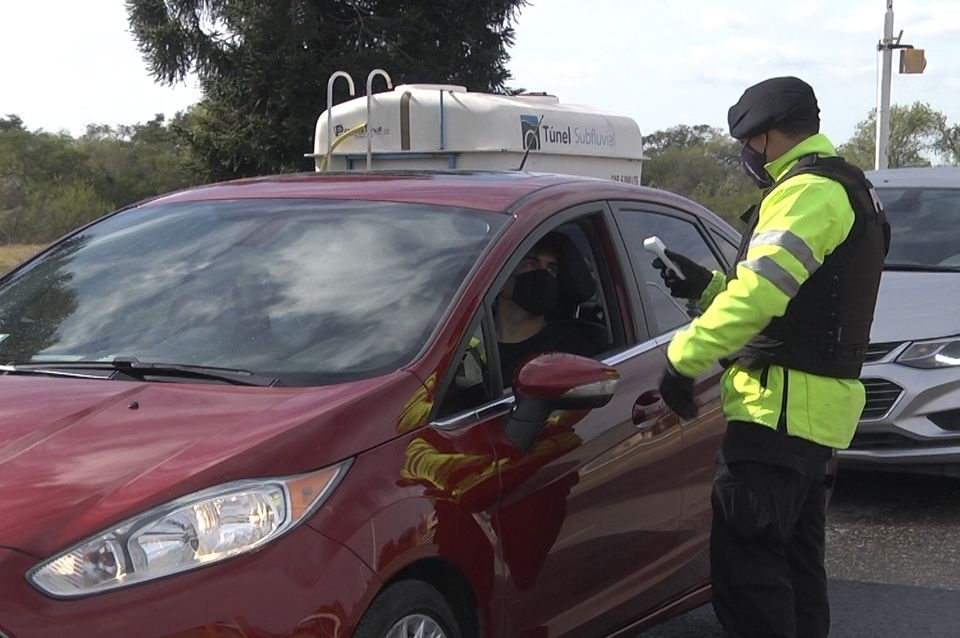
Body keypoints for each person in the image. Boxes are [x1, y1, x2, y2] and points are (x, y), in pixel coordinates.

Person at [654, 76, 890, 638]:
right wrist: (707, 288)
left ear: (764, 137)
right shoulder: (849, 186)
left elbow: (761, 294)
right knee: (796, 572)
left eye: (747, 143)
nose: (745, 155)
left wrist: (683, 357)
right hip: (812, 419)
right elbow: (798, 301)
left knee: (749, 579)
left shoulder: (806, 192)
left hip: (776, 415)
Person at [496, 231, 605, 385]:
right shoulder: (472, 337)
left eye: (551, 269)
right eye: (531, 264)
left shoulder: (574, 351)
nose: (543, 275)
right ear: (501, 280)